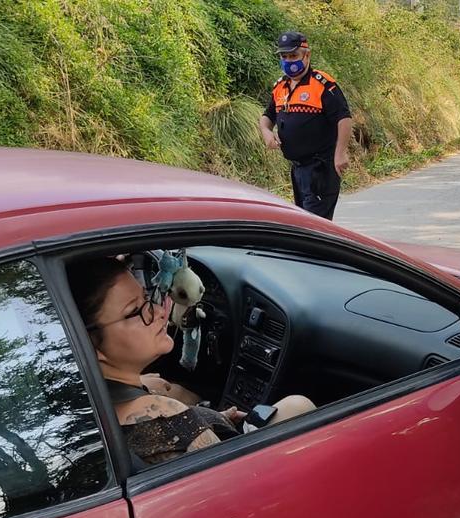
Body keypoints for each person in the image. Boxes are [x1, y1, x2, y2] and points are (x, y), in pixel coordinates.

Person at [68, 257, 315, 465]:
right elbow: (235, 484)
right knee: (298, 405)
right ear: (88, 343)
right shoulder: (166, 418)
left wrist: (213, 419)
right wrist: (193, 423)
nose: (161, 312)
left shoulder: (87, 402)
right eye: (135, 311)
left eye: (147, 298)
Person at [259, 31, 353, 220]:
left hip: (320, 168)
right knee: (306, 224)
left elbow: (344, 118)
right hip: (298, 170)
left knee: (314, 227)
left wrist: (340, 153)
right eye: (284, 57)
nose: (288, 61)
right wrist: (266, 133)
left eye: (293, 56)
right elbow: (267, 116)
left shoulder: (322, 84)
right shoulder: (281, 87)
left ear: (306, 55)